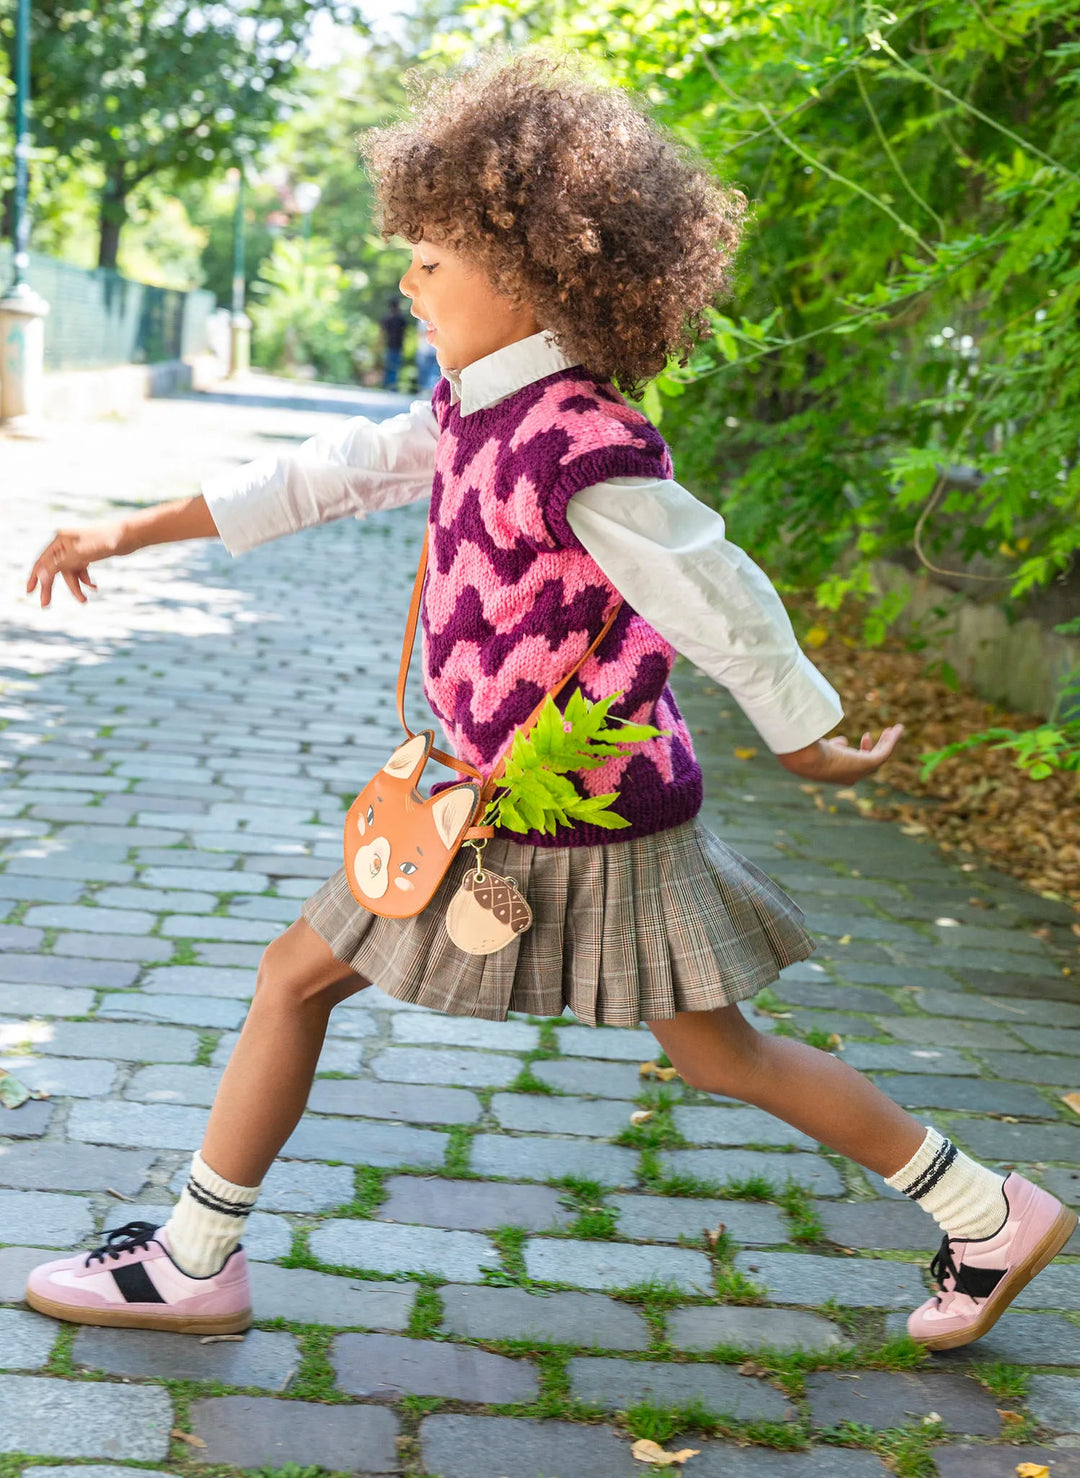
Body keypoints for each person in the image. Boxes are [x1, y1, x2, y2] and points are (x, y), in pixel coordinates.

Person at [23, 54, 1074, 1351]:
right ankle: (985, 1210)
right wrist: (118, 532)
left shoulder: (585, 441)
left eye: (430, 257)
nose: (407, 281)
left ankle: (192, 1260)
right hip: (490, 795)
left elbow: (712, 585)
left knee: (672, 1043)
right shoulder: (469, 412)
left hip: (581, 806)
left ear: (530, 271)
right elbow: (318, 475)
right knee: (370, 990)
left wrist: (801, 726)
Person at [379, 296, 407, 388]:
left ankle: (388, 384)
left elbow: (381, 333)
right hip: (397, 346)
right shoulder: (401, 319)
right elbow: (404, 334)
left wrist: (379, 344)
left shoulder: (386, 318)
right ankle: (391, 385)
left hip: (389, 345)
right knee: (394, 367)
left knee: (388, 366)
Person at [414, 318, 441, 393]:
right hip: (424, 350)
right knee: (423, 372)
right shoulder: (422, 320)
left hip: (434, 350)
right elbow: (420, 334)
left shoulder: (436, 317)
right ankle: (422, 390)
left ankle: (432, 390)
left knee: (435, 373)